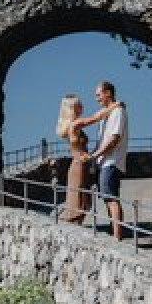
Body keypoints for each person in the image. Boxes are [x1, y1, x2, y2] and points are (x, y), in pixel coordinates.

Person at [73, 81, 128, 240]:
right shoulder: (107, 113)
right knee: (109, 198)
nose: (96, 98)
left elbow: (114, 139)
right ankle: (116, 234)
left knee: (111, 199)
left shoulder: (117, 112)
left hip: (111, 161)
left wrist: (96, 154)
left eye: (99, 94)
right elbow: (103, 137)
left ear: (108, 93)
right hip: (104, 162)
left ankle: (117, 238)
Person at [56, 94, 91, 223]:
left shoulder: (73, 124)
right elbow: (95, 118)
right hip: (79, 165)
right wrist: (114, 107)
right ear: (73, 108)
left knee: (82, 201)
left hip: (80, 164)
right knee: (78, 203)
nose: (82, 107)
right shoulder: (75, 124)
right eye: (79, 105)